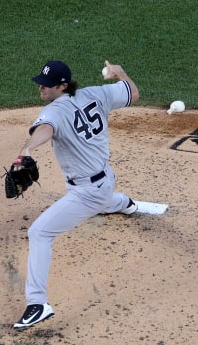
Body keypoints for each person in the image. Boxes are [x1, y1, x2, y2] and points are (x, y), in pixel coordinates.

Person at [11, 59, 140, 329]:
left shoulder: (55, 111)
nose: (41, 89)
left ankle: (37, 304)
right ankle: (124, 203)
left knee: (39, 233)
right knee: (103, 200)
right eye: (41, 84)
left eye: (47, 86)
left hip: (87, 192)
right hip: (104, 181)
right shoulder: (96, 93)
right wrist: (119, 73)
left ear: (62, 86)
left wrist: (27, 151)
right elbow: (132, 92)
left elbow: (45, 130)